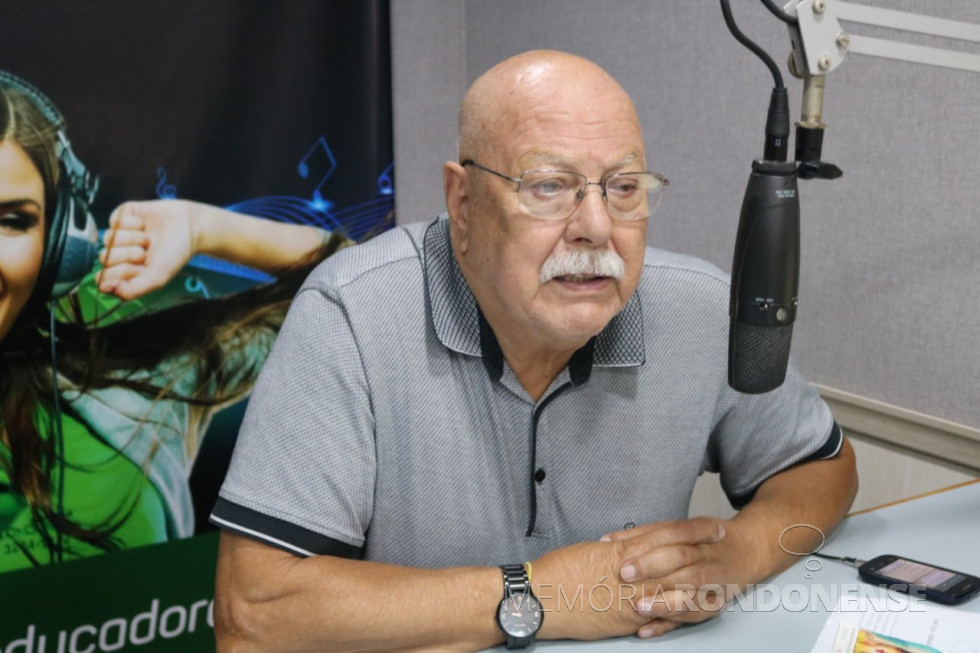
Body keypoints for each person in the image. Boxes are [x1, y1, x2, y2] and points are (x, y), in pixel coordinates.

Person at [212, 50, 857, 650]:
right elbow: (255, 613)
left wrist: (738, 554)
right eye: (549, 186)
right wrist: (540, 594)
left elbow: (822, 469)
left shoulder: (695, 309)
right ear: (462, 202)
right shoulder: (353, 314)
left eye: (624, 187)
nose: (597, 226)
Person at [0, 72, 348, 571]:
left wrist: (205, 229)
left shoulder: (127, 358)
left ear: (61, 241)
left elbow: (369, 294)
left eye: (12, 220)